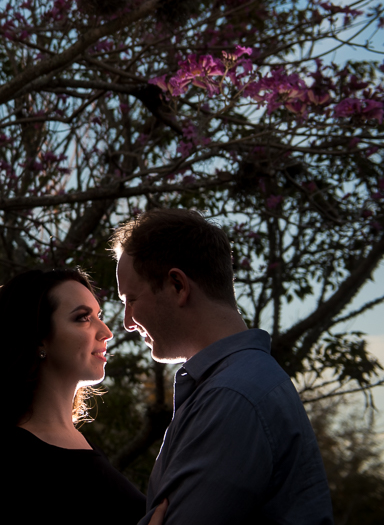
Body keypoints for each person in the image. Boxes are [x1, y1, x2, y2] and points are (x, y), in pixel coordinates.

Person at [113, 208, 333, 525]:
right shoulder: (233, 385)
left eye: (130, 299)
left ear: (177, 285)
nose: (127, 322)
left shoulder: (231, 397)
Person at [0, 268, 147, 525]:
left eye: (99, 316)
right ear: (38, 339)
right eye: (83, 318)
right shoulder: (13, 463)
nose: (106, 332)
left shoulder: (80, 444)